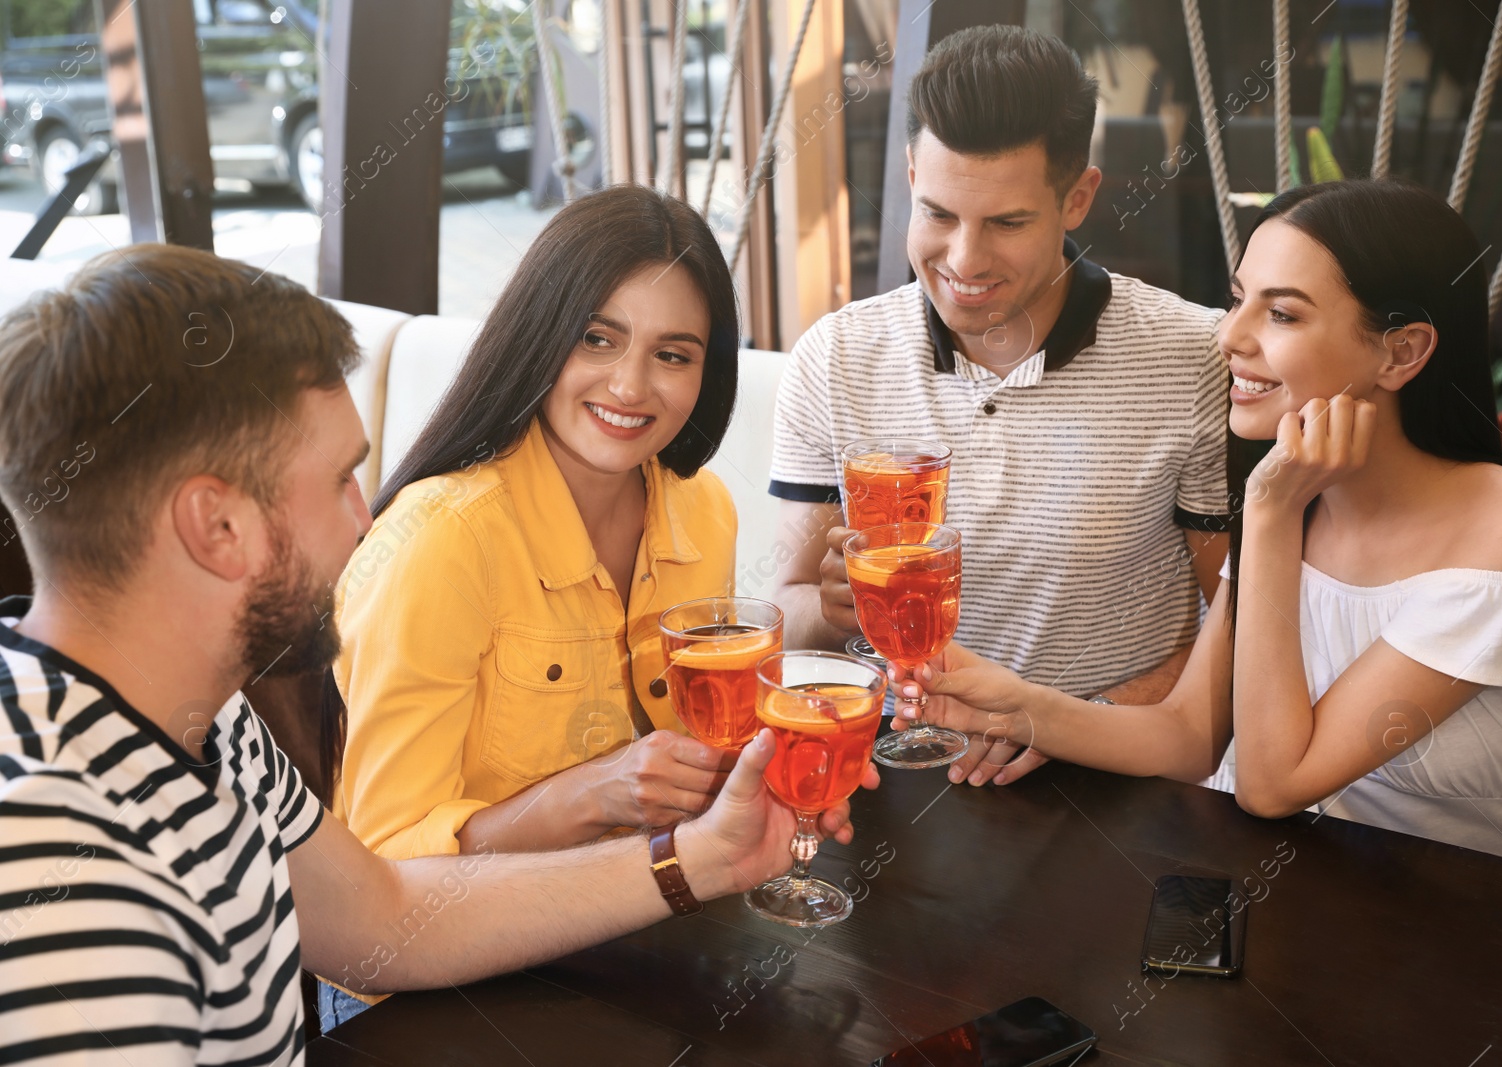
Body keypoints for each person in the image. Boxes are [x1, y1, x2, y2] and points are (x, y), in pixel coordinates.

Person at [0, 243, 869, 1063]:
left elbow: (382, 918)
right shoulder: (56, 875)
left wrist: (706, 854)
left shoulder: (202, 720)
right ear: (216, 526)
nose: (366, 518)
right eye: (341, 480)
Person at [893, 178, 1502, 879]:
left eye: (1283, 315)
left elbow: (1272, 784)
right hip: (1340, 893)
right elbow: (1190, 736)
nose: (1230, 335)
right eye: (1238, 299)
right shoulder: (1306, 493)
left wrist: (1268, 511)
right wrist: (1017, 707)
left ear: (1401, 351)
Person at [322, 183, 745, 1023]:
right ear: (539, 333)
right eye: (597, 337)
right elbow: (378, 874)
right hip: (427, 992)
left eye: (674, 353)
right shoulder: (442, 540)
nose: (631, 385)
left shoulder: (705, 510)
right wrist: (591, 794)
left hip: (630, 934)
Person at [767, 25, 1231, 789]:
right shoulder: (835, 356)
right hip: (886, 768)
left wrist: (1084, 721)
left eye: (1007, 223)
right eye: (939, 214)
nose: (964, 261)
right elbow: (785, 605)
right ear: (912, 172)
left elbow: (1243, 621)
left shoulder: (1193, 358)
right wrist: (828, 604)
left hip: (1108, 770)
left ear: (1078, 196)